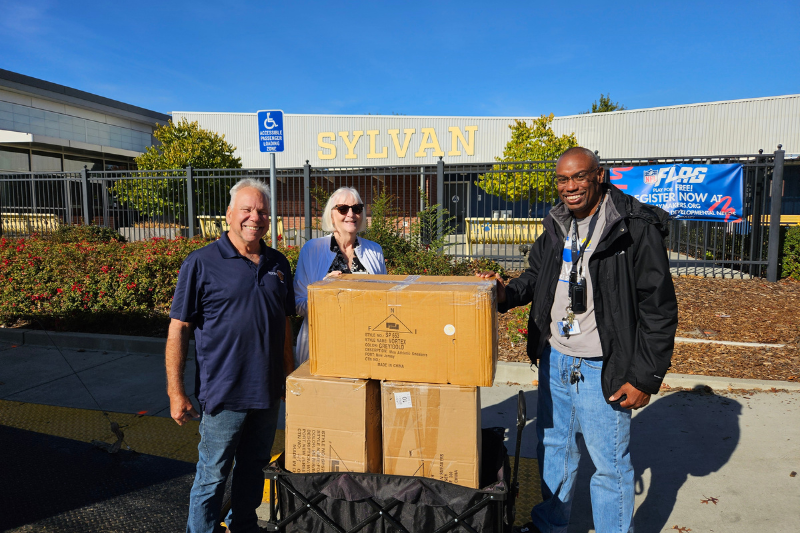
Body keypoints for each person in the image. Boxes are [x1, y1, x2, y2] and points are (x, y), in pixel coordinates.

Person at [478, 147, 678, 533]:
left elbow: (658, 308)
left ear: (599, 175)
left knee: (610, 466)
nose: (570, 187)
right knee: (553, 451)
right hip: (556, 359)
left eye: (579, 177)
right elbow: (537, 277)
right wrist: (505, 294)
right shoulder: (557, 222)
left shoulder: (633, 225)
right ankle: (550, 524)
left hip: (604, 365)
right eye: (562, 179)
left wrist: (645, 377)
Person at [166, 178, 295, 533]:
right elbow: (178, 328)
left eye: (263, 212)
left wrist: (288, 374)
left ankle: (243, 527)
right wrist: (176, 392)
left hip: (267, 393)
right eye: (247, 209)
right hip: (224, 393)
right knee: (211, 476)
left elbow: (284, 324)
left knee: (253, 470)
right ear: (229, 215)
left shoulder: (278, 263)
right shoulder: (201, 263)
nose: (255, 217)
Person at [293, 186, 386, 367]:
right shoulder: (312, 250)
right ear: (331, 215)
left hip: (365, 347)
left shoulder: (375, 250)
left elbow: (385, 299)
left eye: (357, 209)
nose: (351, 214)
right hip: (324, 346)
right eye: (343, 209)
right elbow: (298, 304)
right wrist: (322, 290)